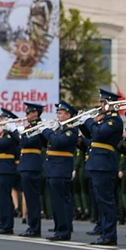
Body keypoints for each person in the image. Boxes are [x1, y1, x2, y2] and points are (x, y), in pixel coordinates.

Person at [80, 90, 124, 245]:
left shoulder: (114, 120)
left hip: (104, 164)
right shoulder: (104, 119)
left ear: (110, 103)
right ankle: (105, 231)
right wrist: (82, 121)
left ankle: (109, 234)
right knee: (100, 201)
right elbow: (90, 135)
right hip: (97, 163)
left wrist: (90, 121)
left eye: (102, 102)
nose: (100, 105)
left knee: (106, 201)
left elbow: (99, 134)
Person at [42, 101, 79, 241]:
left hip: (61, 169)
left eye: (60, 113)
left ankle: (64, 230)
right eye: (57, 113)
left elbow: (58, 142)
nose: (57, 115)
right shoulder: (59, 129)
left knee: (62, 201)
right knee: (56, 201)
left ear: (68, 114)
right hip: (53, 169)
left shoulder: (71, 129)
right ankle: (59, 228)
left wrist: (46, 131)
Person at [17, 103, 45, 237]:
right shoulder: (30, 127)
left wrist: (17, 132)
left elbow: (27, 142)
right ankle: (32, 225)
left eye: (29, 113)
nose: (26, 115)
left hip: (32, 165)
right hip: (26, 164)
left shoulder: (38, 127)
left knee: (32, 198)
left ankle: (34, 227)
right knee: (29, 197)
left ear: (36, 113)